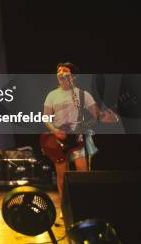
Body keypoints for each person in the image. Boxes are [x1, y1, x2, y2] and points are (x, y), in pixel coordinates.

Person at [43, 62, 116, 204]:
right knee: (61, 176)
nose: (61, 73)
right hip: (59, 139)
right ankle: (65, 207)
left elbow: (98, 116)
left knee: (82, 174)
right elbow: (45, 117)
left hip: (77, 139)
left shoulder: (83, 95)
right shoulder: (52, 95)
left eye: (65, 71)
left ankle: (82, 205)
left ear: (73, 76)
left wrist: (111, 117)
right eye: (59, 71)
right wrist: (55, 131)